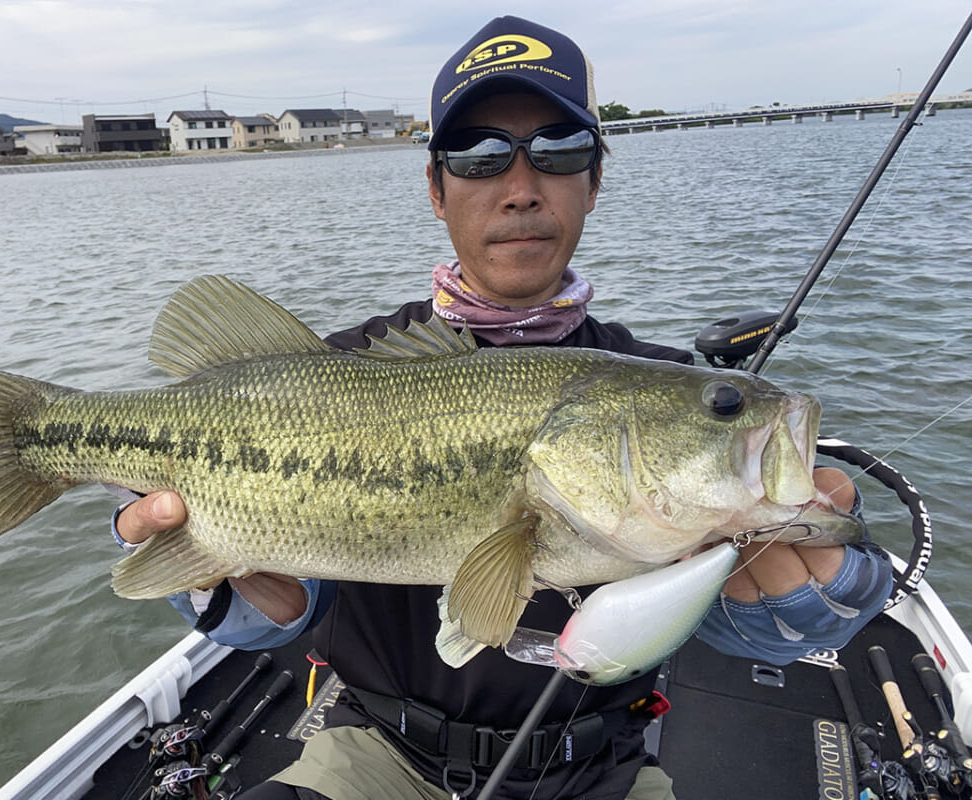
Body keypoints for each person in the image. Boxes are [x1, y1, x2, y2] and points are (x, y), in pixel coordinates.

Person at [112, 16, 894, 799]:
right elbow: (282, 612)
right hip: (376, 755)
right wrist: (223, 583)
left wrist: (807, 598)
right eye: (480, 155)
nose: (520, 188)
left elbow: (749, 625)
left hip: (603, 772)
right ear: (434, 186)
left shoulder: (658, 378)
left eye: (559, 150)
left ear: (594, 179)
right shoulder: (327, 372)